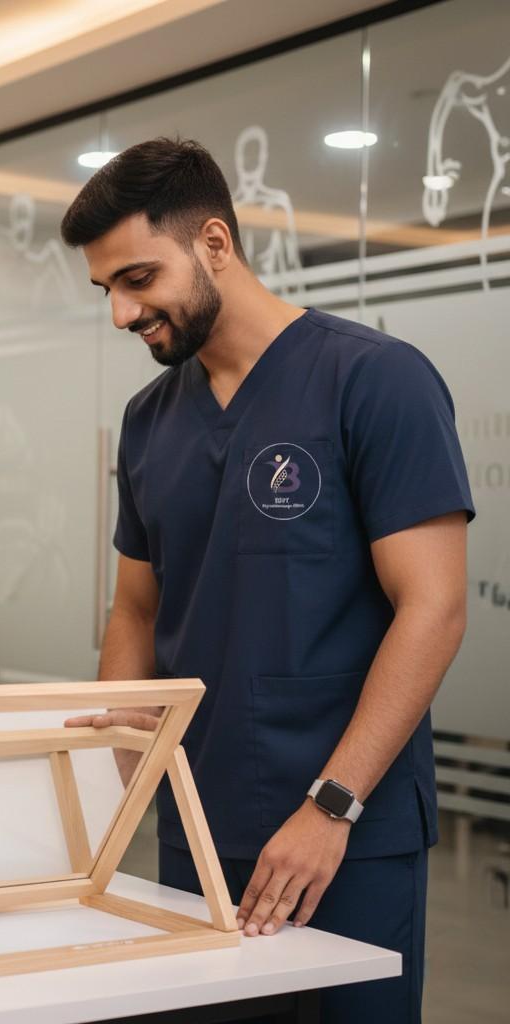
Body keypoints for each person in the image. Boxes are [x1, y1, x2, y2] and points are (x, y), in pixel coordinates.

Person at [59, 137, 473, 1022]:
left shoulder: (374, 381)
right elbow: (136, 607)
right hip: (199, 825)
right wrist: (103, 783)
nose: (122, 314)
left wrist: (332, 806)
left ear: (214, 243)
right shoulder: (147, 421)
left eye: (137, 279)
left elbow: (433, 608)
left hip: (347, 831)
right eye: (106, 291)